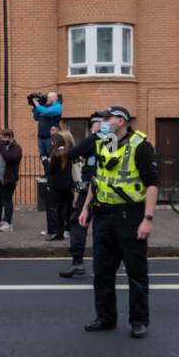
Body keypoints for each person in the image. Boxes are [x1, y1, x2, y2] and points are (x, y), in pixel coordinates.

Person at [78, 106, 158, 338]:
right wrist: (86, 209)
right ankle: (105, 317)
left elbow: (152, 184)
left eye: (107, 118)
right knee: (102, 272)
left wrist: (147, 219)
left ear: (121, 121)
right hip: (103, 215)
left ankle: (139, 320)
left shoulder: (140, 146)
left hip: (130, 216)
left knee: (136, 272)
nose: (103, 122)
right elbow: (101, 178)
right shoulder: (108, 142)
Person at [61, 112, 104, 278]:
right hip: (106, 190)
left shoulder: (94, 139)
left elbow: (72, 154)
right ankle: (103, 264)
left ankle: (77, 263)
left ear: (97, 124)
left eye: (92, 124)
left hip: (90, 189)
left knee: (78, 222)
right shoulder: (111, 140)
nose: (91, 128)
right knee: (102, 227)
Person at [44, 131, 75, 240]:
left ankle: (56, 232)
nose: (51, 143)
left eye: (52, 141)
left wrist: (46, 162)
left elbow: (51, 170)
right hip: (67, 185)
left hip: (56, 185)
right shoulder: (68, 153)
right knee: (63, 210)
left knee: (54, 209)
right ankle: (61, 232)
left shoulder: (56, 155)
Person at [0, 129, 22, 231]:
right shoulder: (0, 146)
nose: (3, 139)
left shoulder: (16, 148)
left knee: (6, 201)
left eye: (5, 137)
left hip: (8, 180)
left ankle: (8, 223)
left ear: (11, 138)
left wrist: (1, 148)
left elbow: (9, 158)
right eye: (2, 137)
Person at [32, 92, 62, 159]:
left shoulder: (57, 107)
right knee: (43, 158)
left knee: (52, 157)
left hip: (50, 137)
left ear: (54, 98)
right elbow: (35, 118)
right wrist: (36, 105)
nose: (47, 99)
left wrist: (36, 103)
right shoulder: (43, 107)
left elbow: (46, 112)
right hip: (40, 137)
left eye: (48, 97)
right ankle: (47, 169)